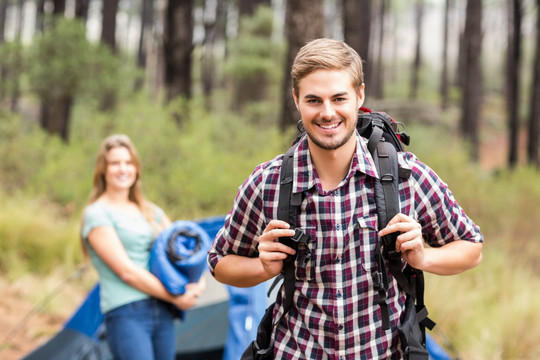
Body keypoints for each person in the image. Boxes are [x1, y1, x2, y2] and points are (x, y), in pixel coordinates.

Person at [207, 38, 483, 359]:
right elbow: (219, 263)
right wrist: (263, 267)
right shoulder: (266, 183)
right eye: (313, 100)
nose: (327, 113)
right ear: (296, 99)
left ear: (359, 96)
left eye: (339, 98)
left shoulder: (408, 176)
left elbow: (471, 247)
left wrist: (423, 258)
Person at [81, 134, 206, 360]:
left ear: (136, 168)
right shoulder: (97, 214)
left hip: (163, 311)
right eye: (115, 163)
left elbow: (182, 251)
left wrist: (196, 283)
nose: (122, 169)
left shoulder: (151, 212)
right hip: (127, 313)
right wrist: (176, 298)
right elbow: (126, 272)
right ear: (103, 169)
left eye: (128, 163)